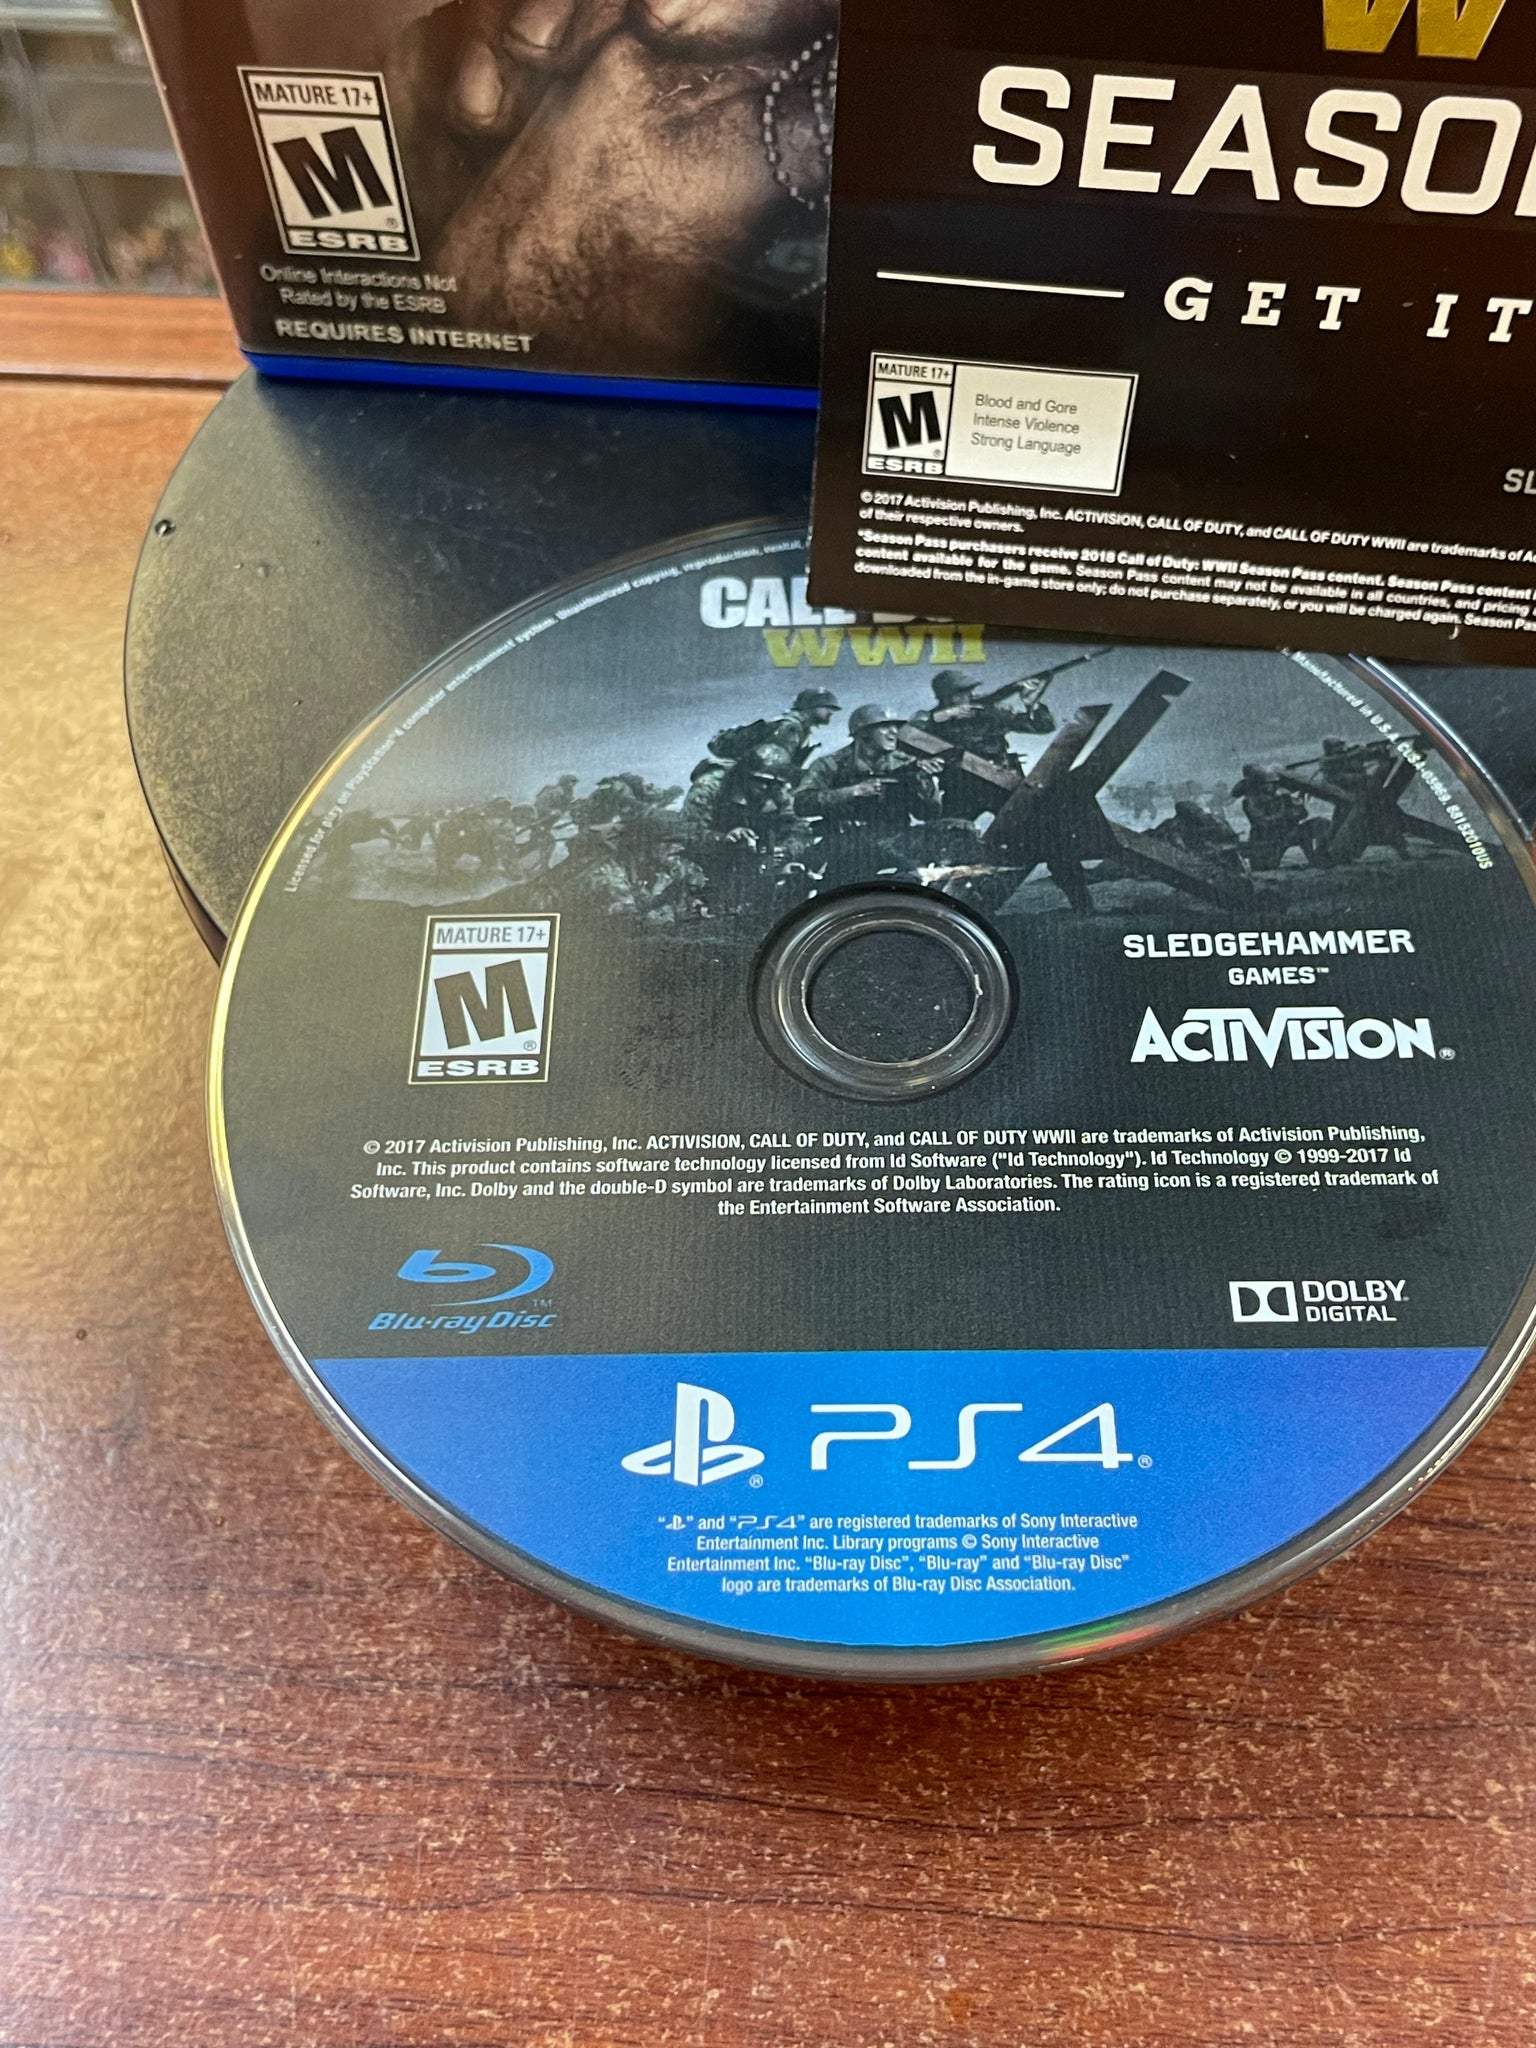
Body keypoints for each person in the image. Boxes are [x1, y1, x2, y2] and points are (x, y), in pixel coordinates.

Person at [795, 703, 942, 884]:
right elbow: (801, 803)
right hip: (846, 846)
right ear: (864, 733)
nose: (894, 732)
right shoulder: (831, 764)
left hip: (895, 843)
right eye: (885, 726)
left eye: (895, 726)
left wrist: (925, 782)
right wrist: (853, 791)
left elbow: (929, 814)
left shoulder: (906, 764)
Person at [707, 686, 841, 773]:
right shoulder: (790, 728)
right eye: (826, 707)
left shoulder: (799, 728)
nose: (831, 712)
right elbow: (771, 766)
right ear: (810, 706)